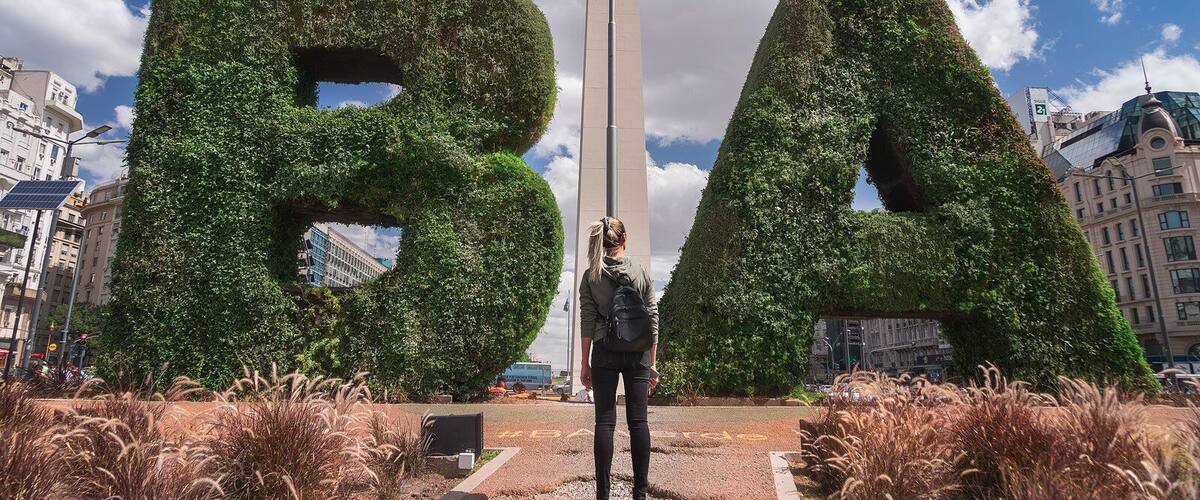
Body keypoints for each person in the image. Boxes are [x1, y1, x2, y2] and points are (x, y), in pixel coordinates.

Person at [578, 216, 660, 500]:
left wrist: (584, 363)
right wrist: (652, 363)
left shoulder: (592, 275)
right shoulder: (640, 270)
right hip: (638, 352)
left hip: (604, 350)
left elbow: (587, 320)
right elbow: (652, 316)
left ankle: (603, 495)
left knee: (604, 422)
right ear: (625, 239)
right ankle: (640, 494)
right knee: (639, 422)